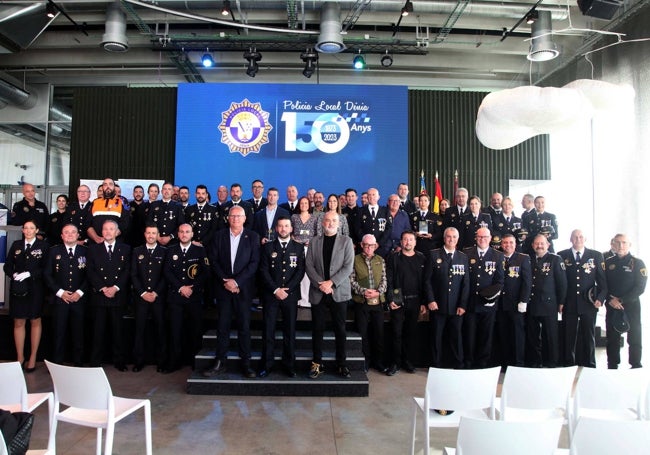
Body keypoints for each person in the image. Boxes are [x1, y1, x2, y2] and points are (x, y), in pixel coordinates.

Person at [204, 205, 260, 378]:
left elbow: (254, 263)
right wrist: (226, 281)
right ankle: (220, 361)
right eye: (232, 216)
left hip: (243, 290)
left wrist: (236, 281)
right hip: (223, 288)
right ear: (228, 218)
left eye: (239, 216)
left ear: (244, 218)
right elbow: (213, 260)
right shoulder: (219, 236)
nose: (235, 219)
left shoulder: (253, 237)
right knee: (223, 326)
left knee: (244, 327)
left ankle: (246, 363)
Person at [306, 211, 355, 379]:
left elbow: (348, 267)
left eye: (334, 220)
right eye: (327, 220)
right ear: (322, 223)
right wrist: (321, 283)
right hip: (318, 291)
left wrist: (331, 283)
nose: (330, 223)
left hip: (338, 291)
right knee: (317, 329)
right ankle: (317, 363)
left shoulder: (346, 241)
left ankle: (341, 364)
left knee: (340, 329)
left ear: (339, 223)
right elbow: (309, 265)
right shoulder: (314, 242)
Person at [257, 217, 305, 378]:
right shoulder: (268, 247)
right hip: (271, 296)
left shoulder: (298, 248)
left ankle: (289, 365)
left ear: (291, 229)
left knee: (289, 332)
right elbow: (263, 271)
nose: (283, 229)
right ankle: (267, 364)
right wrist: (276, 289)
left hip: (290, 296)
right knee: (268, 331)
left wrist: (288, 289)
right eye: (281, 226)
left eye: (286, 226)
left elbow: (300, 271)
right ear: (276, 229)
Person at [3, 221, 49, 372]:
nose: (28, 231)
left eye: (32, 228)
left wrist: (30, 273)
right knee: (19, 322)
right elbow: (7, 265)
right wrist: (14, 274)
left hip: (36, 288)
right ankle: (20, 357)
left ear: (36, 230)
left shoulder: (43, 246)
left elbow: (46, 268)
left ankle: (33, 357)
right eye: (26, 228)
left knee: (35, 320)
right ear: (22, 230)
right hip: (19, 289)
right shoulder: (16, 244)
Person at [86, 219, 131, 370]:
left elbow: (127, 271)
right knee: (98, 331)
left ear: (117, 232)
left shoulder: (125, 249)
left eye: (111, 229)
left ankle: (119, 361)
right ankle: (95, 361)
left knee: (118, 331)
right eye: (105, 229)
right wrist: (103, 288)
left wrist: (115, 288)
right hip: (100, 296)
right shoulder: (93, 249)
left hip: (117, 296)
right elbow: (90, 271)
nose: (108, 232)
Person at [557, 229, 607, 367]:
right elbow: (560, 282)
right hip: (569, 302)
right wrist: (560, 302)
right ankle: (568, 363)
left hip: (588, 303)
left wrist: (600, 299)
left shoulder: (595, 256)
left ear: (585, 239)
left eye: (580, 237)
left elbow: (603, 282)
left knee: (588, 335)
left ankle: (590, 363)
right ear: (570, 239)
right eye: (575, 237)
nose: (578, 239)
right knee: (569, 335)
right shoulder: (562, 255)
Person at [165, 223, 209, 372]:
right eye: (181, 232)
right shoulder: (170, 250)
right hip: (175, 297)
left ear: (192, 234)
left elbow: (205, 272)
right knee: (174, 331)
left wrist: (193, 287)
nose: (184, 234)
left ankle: (194, 362)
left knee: (195, 330)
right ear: (178, 234)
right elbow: (167, 272)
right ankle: (174, 362)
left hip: (194, 297)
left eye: (187, 232)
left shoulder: (199, 250)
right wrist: (180, 287)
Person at [44, 223, 88, 366]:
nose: (70, 235)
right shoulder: (53, 251)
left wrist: (79, 292)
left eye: (73, 232)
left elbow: (90, 275)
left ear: (78, 235)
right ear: (62, 236)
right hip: (59, 299)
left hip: (79, 299)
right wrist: (60, 292)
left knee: (79, 332)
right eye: (66, 232)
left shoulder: (86, 252)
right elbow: (47, 274)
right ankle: (57, 363)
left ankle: (78, 362)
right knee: (59, 332)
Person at [385, 231, 428, 375]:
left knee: (411, 333)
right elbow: (389, 280)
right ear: (401, 242)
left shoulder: (422, 258)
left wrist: (423, 302)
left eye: (411, 239)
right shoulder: (393, 258)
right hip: (398, 301)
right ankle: (395, 363)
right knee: (396, 333)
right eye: (405, 239)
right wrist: (390, 299)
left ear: (415, 242)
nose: (408, 242)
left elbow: (425, 282)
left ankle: (407, 361)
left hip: (415, 301)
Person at [427, 227, 469, 369]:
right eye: (449, 237)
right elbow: (427, 281)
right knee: (436, 338)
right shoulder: (433, 255)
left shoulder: (463, 257)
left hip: (456, 307)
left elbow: (465, 284)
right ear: (444, 238)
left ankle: (458, 364)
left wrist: (463, 305)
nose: (451, 239)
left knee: (456, 338)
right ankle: (436, 365)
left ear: (458, 239)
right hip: (437, 305)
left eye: (454, 237)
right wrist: (431, 300)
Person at [462, 227, 504, 369]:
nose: (482, 240)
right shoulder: (466, 253)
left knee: (486, 336)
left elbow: (499, 281)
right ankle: (468, 363)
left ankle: (483, 365)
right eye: (480, 237)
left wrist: (490, 297)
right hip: (470, 303)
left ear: (490, 238)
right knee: (469, 335)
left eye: (485, 237)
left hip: (488, 304)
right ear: (476, 238)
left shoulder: (498, 256)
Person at [604, 234, 647, 369]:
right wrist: (610, 300)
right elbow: (602, 285)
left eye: (624, 243)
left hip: (631, 306)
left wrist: (621, 300)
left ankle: (635, 365)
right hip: (612, 305)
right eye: (618, 243)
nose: (621, 246)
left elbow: (640, 287)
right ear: (613, 244)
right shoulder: (608, 262)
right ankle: (612, 365)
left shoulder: (637, 263)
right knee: (612, 338)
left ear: (629, 245)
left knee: (634, 337)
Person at [131, 223, 168, 373]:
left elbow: (166, 275)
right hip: (141, 298)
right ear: (145, 235)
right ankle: (138, 361)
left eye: (154, 233)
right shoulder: (136, 251)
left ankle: (161, 362)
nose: (151, 236)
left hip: (158, 298)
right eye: (148, 233)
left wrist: (156, 293)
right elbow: (133, 274)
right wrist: (143, 293)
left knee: (160, 330)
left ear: (158, 236)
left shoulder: (164, 251)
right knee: (139, 330)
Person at [527, 234, 566, 368]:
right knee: (533, 336)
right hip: (532, 303)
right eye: (537, 243)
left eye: (542, 243)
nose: (539, 246)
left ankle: (552, 362)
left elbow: (562, 283)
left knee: (551, 336)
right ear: (532, 245)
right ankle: (536, 361)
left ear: (548, 245)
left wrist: (561, 302)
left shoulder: (555, 259)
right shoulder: (528, 259)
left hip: (549, 304)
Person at [350, 234, 388, 373]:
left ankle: (379, 362)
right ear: (361, 245)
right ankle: (365, 361)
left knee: (379, 333)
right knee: (363, 333)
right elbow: (351, 280)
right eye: (366, 245)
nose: (368, 248)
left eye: (371, 245)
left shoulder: (381, 260)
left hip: (378, 302)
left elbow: (384, 280)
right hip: (361, 301)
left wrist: (378, 292)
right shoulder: (355, 260)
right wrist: (364, 291)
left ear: (376, 246)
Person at [495, 233, 531, 367]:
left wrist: (524, 301)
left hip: (516, 304)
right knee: (503, 334)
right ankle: (505, 363)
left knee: (517, 335)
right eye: (505, 242)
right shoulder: (497, 257)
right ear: (501, 244)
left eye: (510, 242)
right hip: (500, 304)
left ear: (515, 244)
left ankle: (518, 363)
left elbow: (527, 282)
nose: (508, 245)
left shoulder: (523, 259)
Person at [291, 196, 317, 308]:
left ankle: (307, 300)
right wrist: (294, 240)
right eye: (302, 203)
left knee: (308, 274)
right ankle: (298, 299)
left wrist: (310, 242)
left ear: (309, 205)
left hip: (310, 249)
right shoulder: (294, 217)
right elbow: (290, 232)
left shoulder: (314, 218)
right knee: (296, 273)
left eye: (306, 203)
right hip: (296, 249)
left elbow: (317, 234)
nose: (304, 205)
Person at [87, 178, 129, 244]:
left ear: (114, 187)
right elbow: (88, 224)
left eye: (110, 184)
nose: (108, 187)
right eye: (105, 184)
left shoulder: (122, 202)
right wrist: (96, 238)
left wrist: (110, 238)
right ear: (102, 187)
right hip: (96, 243)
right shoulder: (95, 202)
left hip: (115, 243)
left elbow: (125, 223)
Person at [147, 181, 185, 246]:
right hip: (156, 241)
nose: (167, 191)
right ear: (161, 191)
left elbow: (181, 225)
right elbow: (149, 222)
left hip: (172, 242)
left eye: (169, 189)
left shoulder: (178, 206)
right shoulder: (154, 205)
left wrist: (170, 237)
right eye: (165, 189)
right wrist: (157, 236)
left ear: (172, 192)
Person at [356, 188, 391, 257]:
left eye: (373, 195)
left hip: (380, 247)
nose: (371, 197)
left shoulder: (385, 211)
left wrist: (379, 243)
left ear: (378, 197)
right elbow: (357, 228)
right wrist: (366, 243)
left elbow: (389, 228)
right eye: (369, 195)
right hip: (365, 247)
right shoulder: (360, 211)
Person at [411, 193, 443, 257]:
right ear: (418, 202)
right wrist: (415, 234)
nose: (423, 203)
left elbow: (440, 233)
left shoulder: (435, 216)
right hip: (416, 247)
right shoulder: (413, 216)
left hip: (430, 247)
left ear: (429, 202)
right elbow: (409, 230)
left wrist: (431, 236)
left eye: (425, 201)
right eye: (421, 201)